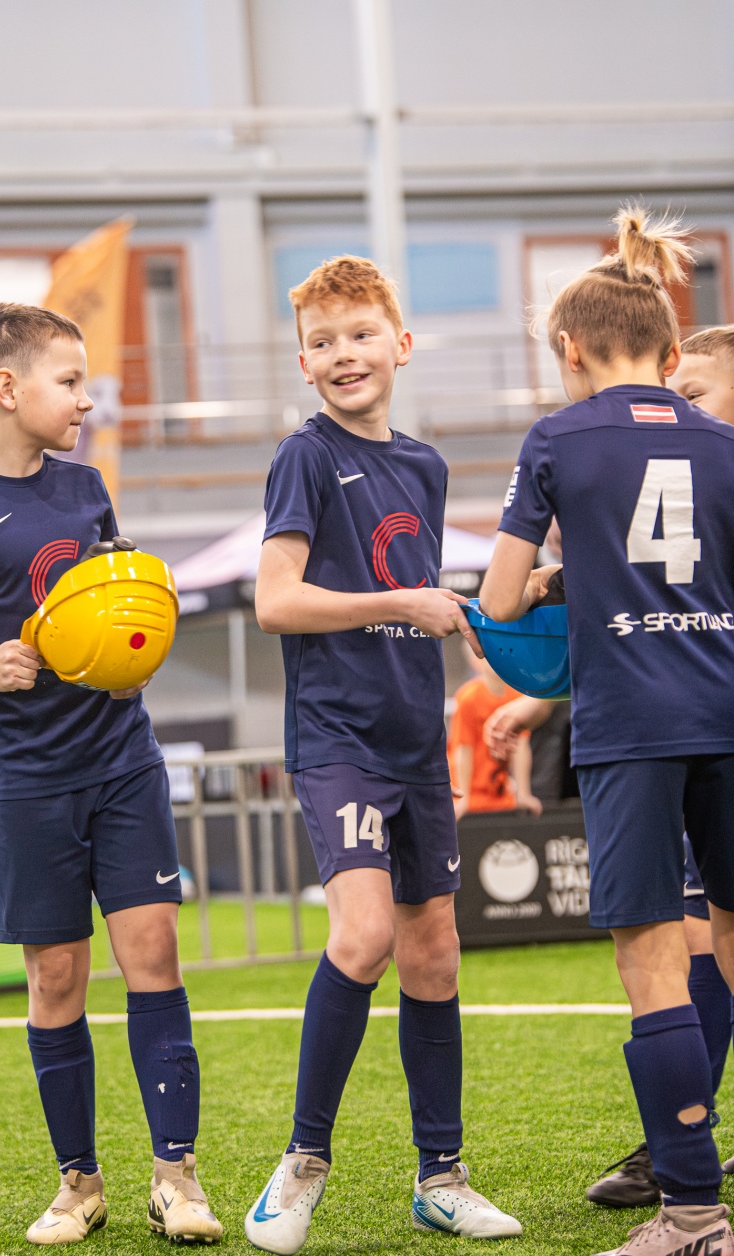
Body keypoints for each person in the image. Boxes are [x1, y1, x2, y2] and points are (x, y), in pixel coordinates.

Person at [0, 303, 222, 1247]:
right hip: (27, 777)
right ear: (7, 388)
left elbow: (110, 606)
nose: (86, 398)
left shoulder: (87, 486)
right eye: (69, 381)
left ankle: (176, 1178)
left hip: (123, 760)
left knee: (155, 958)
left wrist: (135, 649)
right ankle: (79, 1185)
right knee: (57, 978)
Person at [245, 255, 521, 1253]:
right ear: (304, 364)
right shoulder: (304, 456)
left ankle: (440, 1176)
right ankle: (302, 1162)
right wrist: (401, 600)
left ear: (401, 345)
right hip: (338, 740)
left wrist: (478, 617)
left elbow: (421, 603)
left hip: (415, 740)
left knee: (434, 953)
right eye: (322, 342)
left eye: (361, 334)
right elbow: (275, 601)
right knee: (362, 938)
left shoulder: (427, 466)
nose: (343, 353)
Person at [480, 208, 734, 1256]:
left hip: (631, 724)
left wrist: (556, 579)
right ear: (672, 356)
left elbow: (500, 600)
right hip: (726, 710)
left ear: (569, 349)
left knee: (654, 962)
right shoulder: (726, 443)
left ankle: (694, 1216)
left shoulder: (556, 438)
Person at [448, 647, 540, 820]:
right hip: (471, 793)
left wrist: (523, 793)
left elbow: (521, 745)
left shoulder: (517, 696)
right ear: (476, 662)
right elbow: (463, 750)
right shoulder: (469, 698)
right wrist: (463, 798)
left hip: (499, 793)